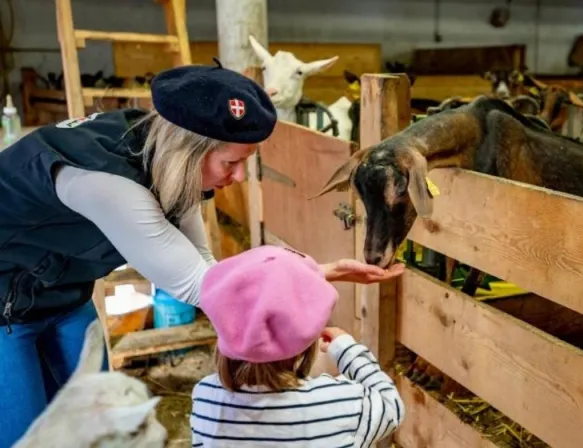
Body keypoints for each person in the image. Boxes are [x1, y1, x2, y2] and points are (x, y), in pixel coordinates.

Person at [0, 60, 403, 447]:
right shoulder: (108, 184)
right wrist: (312, 278)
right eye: (233, 162)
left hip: (63, 292)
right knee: (24, 433)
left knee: (95, 426)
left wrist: (317, 271)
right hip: (5, 300)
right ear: (191, 151)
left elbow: (207, 270)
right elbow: (205, 288)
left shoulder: (165, 157)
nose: (240, 175)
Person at [191, 245, 405, 447]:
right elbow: (391, 405)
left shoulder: (206, 399)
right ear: (308, 341)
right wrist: (347, 350)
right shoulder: (339, 404)